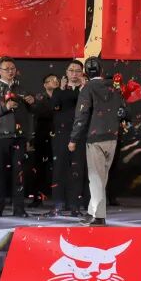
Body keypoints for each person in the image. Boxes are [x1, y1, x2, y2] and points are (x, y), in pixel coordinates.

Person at [69, 57, 125, 227]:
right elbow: (124, 110)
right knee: (102, 177)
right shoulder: (115, 87)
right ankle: (92, 211)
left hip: (95, 137)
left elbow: (82, 115)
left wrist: (73, 138)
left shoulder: (87, 88)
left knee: (95, 178)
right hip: (113, 136)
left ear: (85, 72)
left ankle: (99, 217)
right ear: (102, 70)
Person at [0, 57, 35, 218]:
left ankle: (19, 208)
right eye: (6, 69)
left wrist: (32, 102)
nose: (10, 71)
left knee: (19, 174)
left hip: (19, 136)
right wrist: (5, 107)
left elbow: (32, 114)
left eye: (12, 68)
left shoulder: (22, 89)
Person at [48, 61, 87, 217]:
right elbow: (53, 106)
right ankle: (58, 203)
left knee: (77, 170)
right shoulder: (59, 90)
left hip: (80, 134)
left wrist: (83, 89)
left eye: (78, 70)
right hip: (61, 134)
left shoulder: (86, 90)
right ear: (66, 72)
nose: (74, 73)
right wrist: (61, 89)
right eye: (71, 70)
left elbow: (87, 108)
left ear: (82, 73)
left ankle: (75, 205)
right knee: (59, 169)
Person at [28, 74, 58, 208]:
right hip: (41, 136)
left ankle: (60, 198)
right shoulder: (39, 98)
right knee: (39, 168)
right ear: (45, 85)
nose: (55, 82)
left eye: (56, 80)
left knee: (59, 168)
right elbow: (38, 112)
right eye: (51, 80)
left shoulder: (62, 96)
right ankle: (37, 197)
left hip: (58, 136)